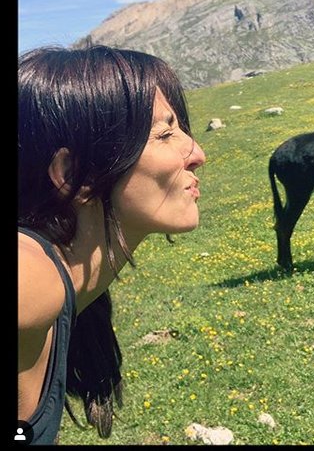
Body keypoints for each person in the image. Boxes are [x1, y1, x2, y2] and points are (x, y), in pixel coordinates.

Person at [18, 46, 206, 443]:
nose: (197, 154)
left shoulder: (66, 289)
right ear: (75, 175)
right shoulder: (33, 277)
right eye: (165, 134)